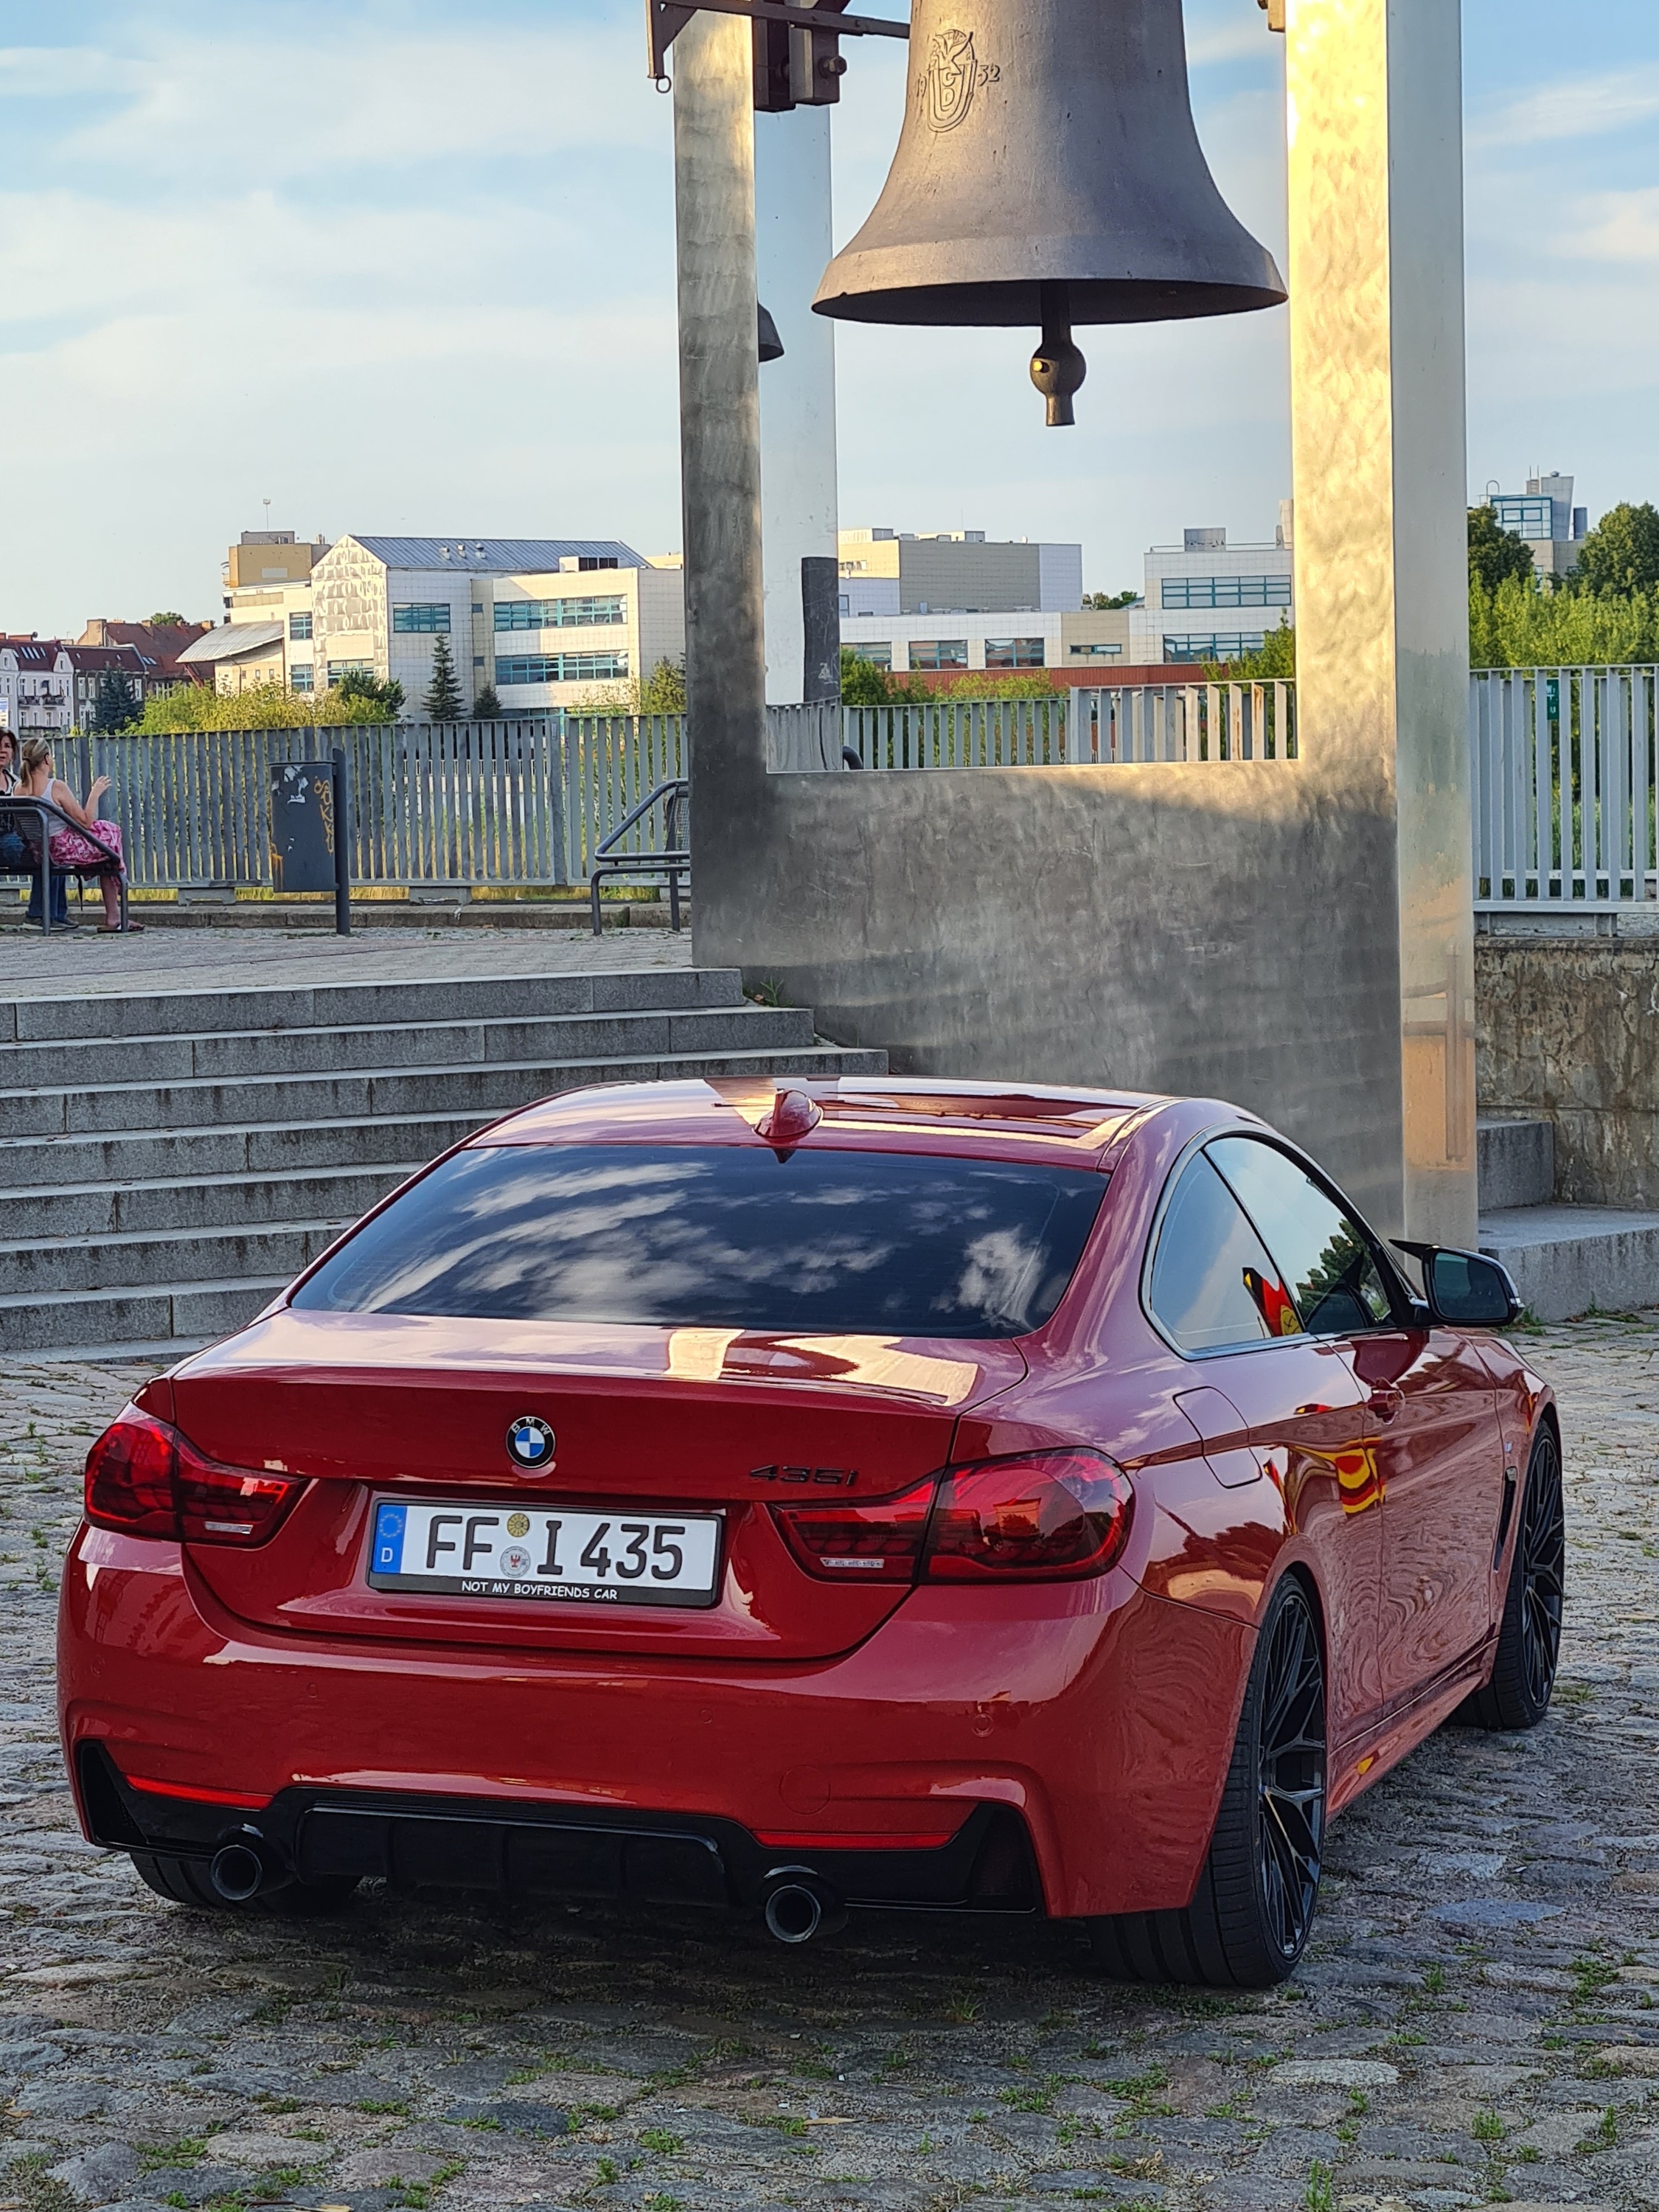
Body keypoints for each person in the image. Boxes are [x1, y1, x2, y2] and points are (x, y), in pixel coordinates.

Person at [15, 740, 139, 933]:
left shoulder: (18, 789)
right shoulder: (55, 787)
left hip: (38, 850)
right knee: (110, 839)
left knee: (107, 841)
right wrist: (95, 793)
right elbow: (85, 822)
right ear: (46, 759)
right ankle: (115, 913)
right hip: (61, 850)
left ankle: (113, 915)